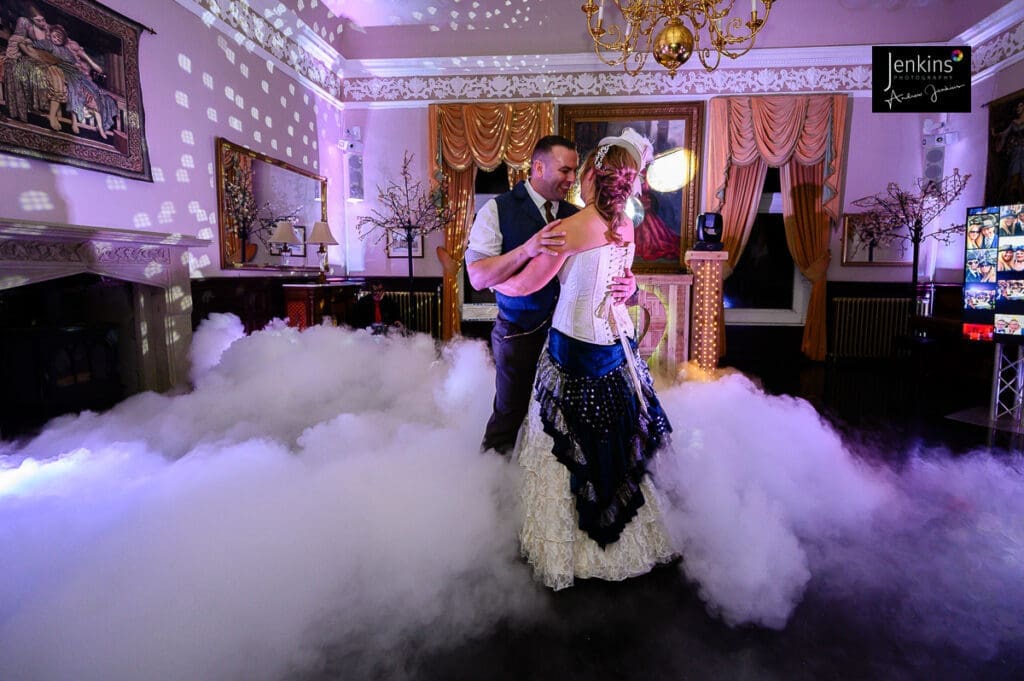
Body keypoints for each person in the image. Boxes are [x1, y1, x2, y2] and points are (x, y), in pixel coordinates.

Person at [493, 129, 675, 590]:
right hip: (616, 348)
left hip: (573, 347)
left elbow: (529, 284)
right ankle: (621, 539)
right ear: (629, 181)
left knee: (564, 448)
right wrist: (629, 287)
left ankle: (571, 547)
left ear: (594, 175)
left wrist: (491, 280)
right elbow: (623, 280)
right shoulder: (627, 224)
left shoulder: (571, 228)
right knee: (613, 442)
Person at [466, 135, 639, 454]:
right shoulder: (496, 209)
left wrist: (630, 287)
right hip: (520, 333)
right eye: (565, 170)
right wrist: (525, 250)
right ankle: (491, 494)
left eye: (576, 170)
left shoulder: (578, 215)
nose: (571, 178)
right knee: (510, 416)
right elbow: (477, 276)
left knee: (554, 426)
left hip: (571, 345)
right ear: (538, 167)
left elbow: (601, 272)